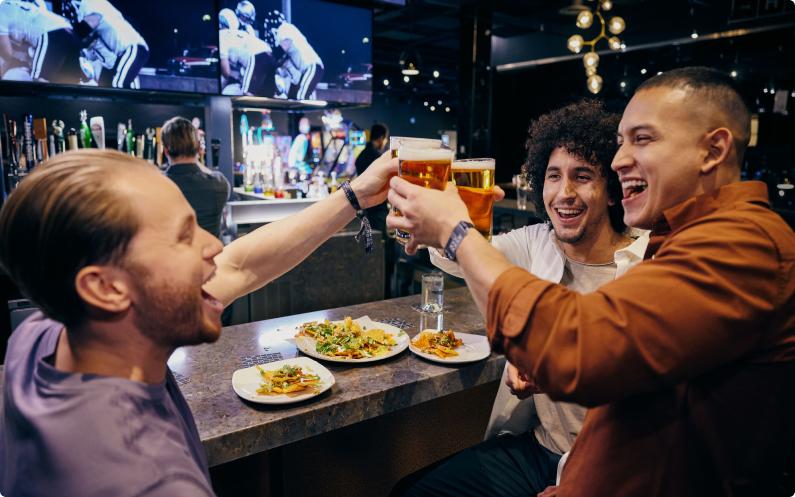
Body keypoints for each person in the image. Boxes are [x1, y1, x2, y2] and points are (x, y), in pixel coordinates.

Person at [387, 66, 795, 496]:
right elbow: (650, 371)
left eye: (642, 139)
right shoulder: (684, 239)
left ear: (713, 150)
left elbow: (578, 347)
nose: (618, 161)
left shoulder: (743, 244)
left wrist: (458, 231)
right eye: (620, 143)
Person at [0, 148, 396, 496]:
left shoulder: (40, 336)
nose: (214, 246)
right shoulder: (150, 482)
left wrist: (354, 195)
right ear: (105, 288)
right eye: (185, 237)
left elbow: (242, 264)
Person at [394, 100, 648, 496]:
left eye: (582, 176)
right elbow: (462, 259)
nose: (564, 193)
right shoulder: (535, 243)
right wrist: (450, 214)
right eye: (552, 176)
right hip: (537, 448)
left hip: (609, 468)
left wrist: (539, 362)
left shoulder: (648, 261)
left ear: (612, 191)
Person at [161, 116, 230, 239]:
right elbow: (208, 173)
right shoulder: (219, 184)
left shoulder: (156, 185)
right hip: (210, 256)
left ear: (166, 151)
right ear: (199, 148)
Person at [71, 0, 149, 89]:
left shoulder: (91, 3)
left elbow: (91, 22)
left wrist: (70, 33)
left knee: (118, 87)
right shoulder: (88, 9)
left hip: (132, 47)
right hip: (120, 56)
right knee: (114, 89)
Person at [0, 0, 82, 84]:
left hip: (50, 33)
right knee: (70, 84)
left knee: (39, 84)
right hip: (69, 30)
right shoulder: (11, 4)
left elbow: (7, 54)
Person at [218, 8, 275, 97]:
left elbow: (226, 72)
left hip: (257, 57)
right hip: (269, 55)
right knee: (266, 97)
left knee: (247, 95)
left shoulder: (221, 36)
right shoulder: (239, 33)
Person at [271, 20, 324, 100]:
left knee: (301, 98)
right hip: (307, 70)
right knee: (296, 100)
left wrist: (271, 61)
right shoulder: (292, 34)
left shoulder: (284, 28)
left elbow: (284, 46)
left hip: (312, 66)